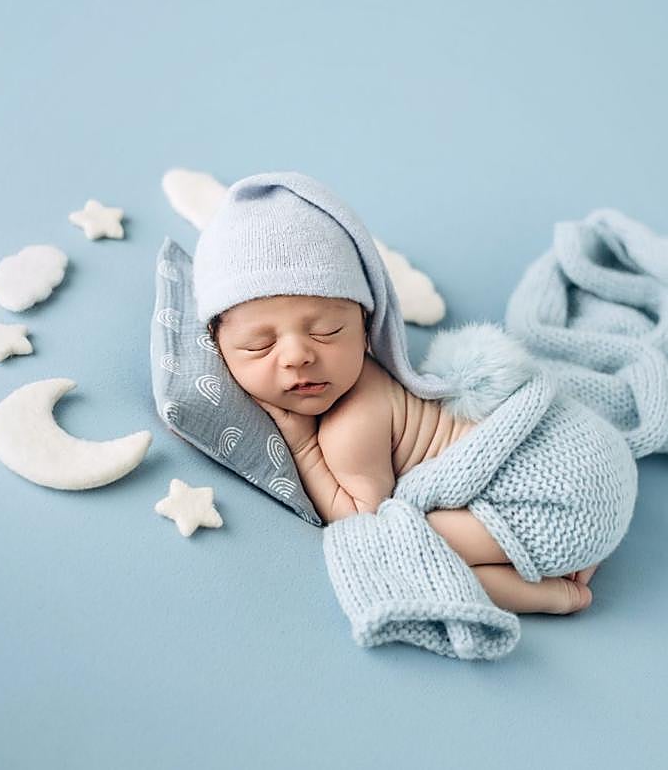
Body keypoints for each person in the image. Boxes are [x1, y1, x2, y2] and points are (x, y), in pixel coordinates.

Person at [193, 175, 598, 616]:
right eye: (259, 345)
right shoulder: (367, 382)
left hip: (554, 496)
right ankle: (588, 548)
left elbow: (361, 519)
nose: (297, 356)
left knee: (409, 548)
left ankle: (558, 594)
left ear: (369, 329)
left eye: (327, 332)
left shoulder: (352, 422)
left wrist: (302, 444)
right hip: (593, 464)